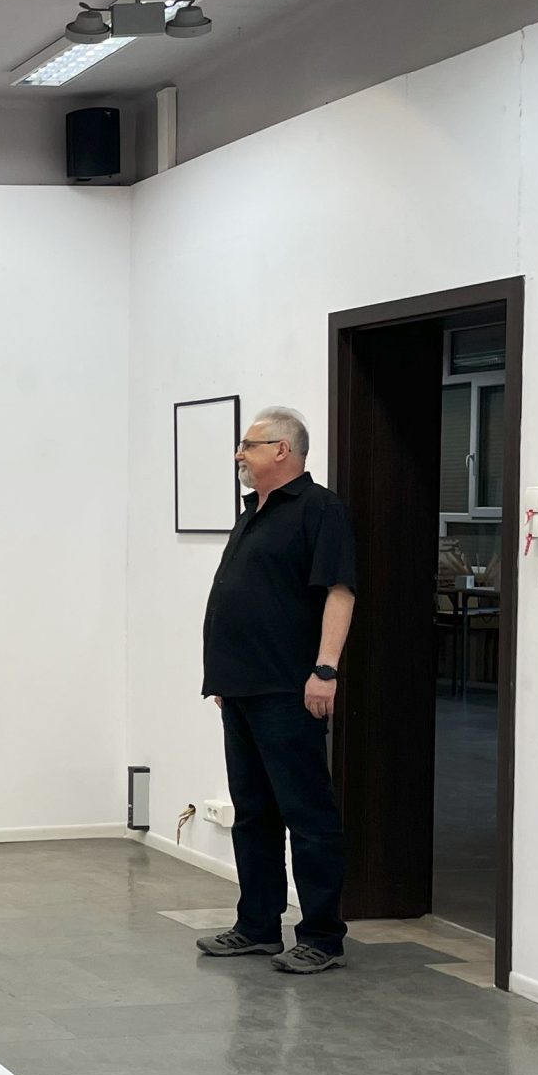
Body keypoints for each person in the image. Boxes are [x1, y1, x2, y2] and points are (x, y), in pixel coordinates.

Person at [196, 406, 358, 976]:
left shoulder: (319, 510)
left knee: (307, 814)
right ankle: (257, 926)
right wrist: (225, 677)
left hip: (289, 688)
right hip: (240, 687)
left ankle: (322, 937)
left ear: (282, 450)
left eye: (250, 445)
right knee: (253, 814)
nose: (240, 454)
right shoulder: (254, 512)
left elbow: (339, 591)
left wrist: (325, 670)